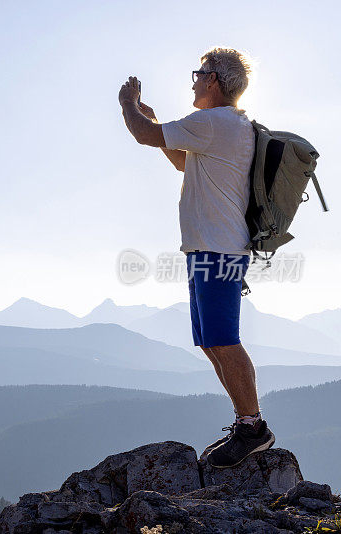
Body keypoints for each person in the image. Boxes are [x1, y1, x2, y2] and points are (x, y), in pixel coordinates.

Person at [117, 47, 275, 468]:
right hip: (208, 247)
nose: (193, 80)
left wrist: (128, 105)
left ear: (215, 80)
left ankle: (253, 427)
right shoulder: (224, 126)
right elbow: (182, 164)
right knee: (210, 341)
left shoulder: (214, 121)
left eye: (198, 73)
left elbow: (143, 135)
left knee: (223, 338)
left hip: (218, 248)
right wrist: (151, 120)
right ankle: (246, 424)